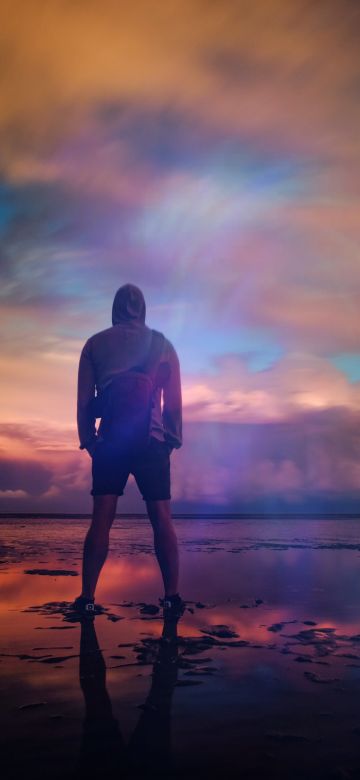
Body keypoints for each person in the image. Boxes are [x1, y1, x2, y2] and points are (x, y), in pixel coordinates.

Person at [72, 283, 184, 622]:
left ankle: (88, 598)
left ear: (115, 307)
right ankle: (171, 598)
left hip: (111, 443)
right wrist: (172, 439)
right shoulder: (162, 344)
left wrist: (89, 440)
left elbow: (83, 400)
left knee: (101, 521)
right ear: (144, 308)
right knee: (162, 520)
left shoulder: (95, 344)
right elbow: (173, 400)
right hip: (151, 442)